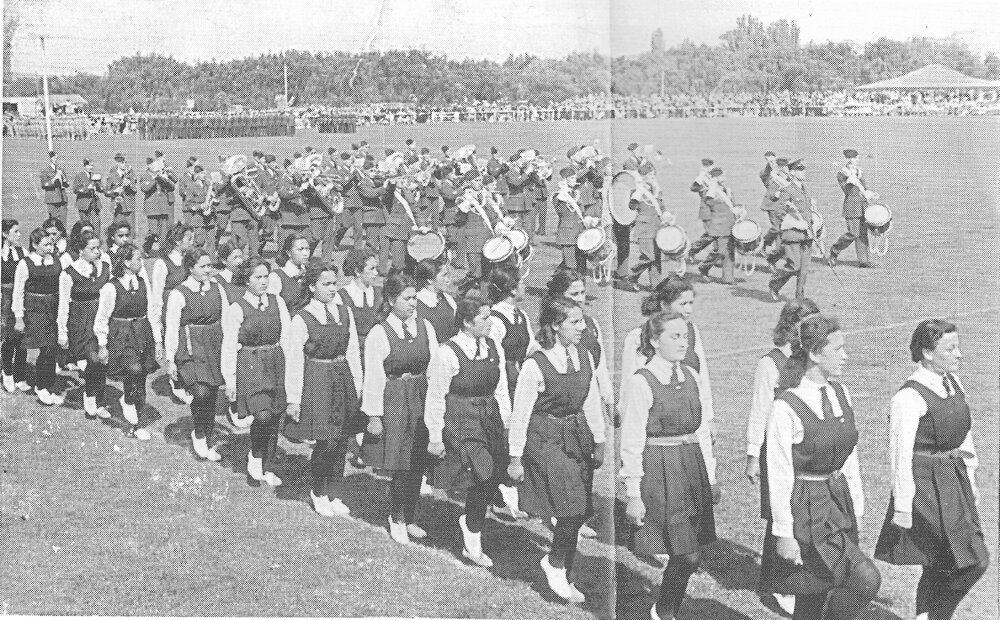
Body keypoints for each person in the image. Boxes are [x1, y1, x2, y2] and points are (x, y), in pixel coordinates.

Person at [766, 314, 880, 620]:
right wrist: (784, 532)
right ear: (815, 354)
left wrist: (856, 505)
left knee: (816, 588)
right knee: (865, 579)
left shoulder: (842, 394)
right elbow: (778, 474)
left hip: (836, 500)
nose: (846, 356)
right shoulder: (785, 407)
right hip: (806, 506)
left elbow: (850, 455)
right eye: (838, 349)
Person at [874, 319, 989, 620]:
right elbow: (899, 455)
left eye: (957, 347)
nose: (959, 354)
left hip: (953, 478)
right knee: (972, 561)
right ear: (927, 352)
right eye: (950, 348)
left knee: (944, 560)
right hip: (924, 484)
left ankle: (925, 616)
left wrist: (971, 476)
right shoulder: (908, 398)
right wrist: (902, 506)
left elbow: (965, 434)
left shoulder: (953, 383)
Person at [507, 296, 606, 603]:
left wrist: (600, 440)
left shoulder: (585, 356)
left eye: (582, 320)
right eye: (574, 322)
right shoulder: (535, 365)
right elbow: (521, 413)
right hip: (545, 438)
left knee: (580, 510)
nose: (582, 327)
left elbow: (590, 398)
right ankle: (554, 563)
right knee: (570, 507)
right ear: (554, 326)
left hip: (577, 435)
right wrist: (514, 458)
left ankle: (563, 570)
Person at [621, 311, 717, 620]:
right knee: (686, 553)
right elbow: (632, 440)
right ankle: (663, 612)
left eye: (685, 337)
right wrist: (633, 494)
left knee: (690, 552)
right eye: (674, 336)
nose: (682, 342)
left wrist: (710, 476)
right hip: (661, 469)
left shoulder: (691, 375)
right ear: (653, 340)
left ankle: (665, 610)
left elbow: (701, 430)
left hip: (691, 466)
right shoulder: (642, 381)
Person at [424, 293, 511, 567]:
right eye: (484, 318)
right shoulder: (447, 353)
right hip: (461, 420)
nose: (490, 322)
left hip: (490, 418)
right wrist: (435, 436)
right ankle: (472, 537)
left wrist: (506, 423)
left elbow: (502, 389)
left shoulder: (495, 347)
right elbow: (436, 396)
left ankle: (471, 520)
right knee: (482, 473)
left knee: (495, 474)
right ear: (466, 322)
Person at [746, 298, 820, 616]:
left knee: (805, 513)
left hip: (807, 450)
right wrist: (752, 454)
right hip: (777, 451)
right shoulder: (771, 363)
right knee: (780, 516)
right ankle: (776, 584)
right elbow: (760, 410)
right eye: (807, 327)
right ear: (790, 328)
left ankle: (801, 577)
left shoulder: (814, 362)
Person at [619, 276, 718, 499]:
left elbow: (702, 378)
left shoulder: (692, 332)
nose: (689, 310)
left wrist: (708, 416)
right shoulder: (637, 337)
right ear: (664, 305)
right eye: (683, 304)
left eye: (691, 303)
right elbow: (629, 390)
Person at [361, 271, 439, 545]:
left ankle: (411, 514)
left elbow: (434, 365)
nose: (413, 303)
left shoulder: (425, 327)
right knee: (402, 461)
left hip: (420, 395)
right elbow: (373, 376)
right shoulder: (379, 333)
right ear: (392, 300)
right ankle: (397, 517)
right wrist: (374, 415)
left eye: (415, 297)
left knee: (419, 457)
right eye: (406, 298)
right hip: (394, 397)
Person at [283, 258, 363, 516]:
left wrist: (358, 385)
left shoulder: (344, 312)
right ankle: (318, 491)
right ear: (311, 287)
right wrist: (294, 398)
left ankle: (334, 492)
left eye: (334, 284)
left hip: (342, 378)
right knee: (326, 440)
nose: (332, 289)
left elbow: (352, 352)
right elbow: (294, 360)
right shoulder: (302, 318)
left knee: (341, 439)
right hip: (318, 379)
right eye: (325, 284)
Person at [222, 258, 290, 486]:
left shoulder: (277, 301)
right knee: (262, 415)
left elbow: (287, 336)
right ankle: (256, 454)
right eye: (257, 277)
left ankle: (267, 465)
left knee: (275, 415)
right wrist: (230, 381)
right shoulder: (237, 308)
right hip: (251, 365)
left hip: (276, 362)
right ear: (246, 280)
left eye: (265, 277)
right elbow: (229, 346)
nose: (263, 282)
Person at [164, 249, 230, 460]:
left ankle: (205, 433)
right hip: (190, 348)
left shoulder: (217, 288)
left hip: (212, 346)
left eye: (210, 265)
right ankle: (199, 433)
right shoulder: (178, 294)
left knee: (211, 394)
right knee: (200, 393)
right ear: (190, 268)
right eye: (202, 266)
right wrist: (171, 359)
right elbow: (172, 327)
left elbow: (227, 319)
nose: (208, 270)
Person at [94, 244, 161, 440]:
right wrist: (102, 344)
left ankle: (136, 424)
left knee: (140, 380)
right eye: (138, 259)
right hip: (120, 336)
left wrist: (157, 341)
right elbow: (102, 318)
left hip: (141, 333)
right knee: (134, 370)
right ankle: (127, 400)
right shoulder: (110, 287)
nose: (141, 263)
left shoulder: (141, 282)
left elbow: (152, 311)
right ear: (125, 262)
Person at [56, 230, 111, 419]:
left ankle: (100, 401)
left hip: (102, 318)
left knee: (102, 360)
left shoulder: (105, 268)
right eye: (92, 248)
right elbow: (63, 304)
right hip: (81, 321)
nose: (97, 252)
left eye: (99, 248)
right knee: (93, 359)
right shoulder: (69, 273)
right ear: (80, 250)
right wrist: (62, 332)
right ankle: (90, 395)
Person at [11, 227, 64, 405]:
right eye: (46, 244)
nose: (50, 247)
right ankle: (40, 386)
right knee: (44, 347)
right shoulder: (25, 264)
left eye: (51, 243)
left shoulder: (55, 261)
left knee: (51, 348)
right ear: (34, 245)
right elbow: (18, 292)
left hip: (53, 308)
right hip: (34, 309)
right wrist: (19, 317)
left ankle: (47, 385)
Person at [768, 159, 815, 302]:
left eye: (803, 169)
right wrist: (796, 223)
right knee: (794, 265)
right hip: (793, 234)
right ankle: (774, 285)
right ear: (792, 173)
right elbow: (779, 211)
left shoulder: (804, 189)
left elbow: (807, 212)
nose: (803, 172)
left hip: (807, 235)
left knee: (804, 269)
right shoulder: (787, 189)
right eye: (800, 170)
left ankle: (799, 297)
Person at [688, 167, 740, 283]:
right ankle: (704, 267)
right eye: (722, 176)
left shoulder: (727, 190)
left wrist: (739, 211)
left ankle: (728, 279)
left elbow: (733, 204)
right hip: (718, 225)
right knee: (720, 251)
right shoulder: (710, 192)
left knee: (729, 251)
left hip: (730, 223)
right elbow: (709, 203)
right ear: (716, 178)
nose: (724, 178)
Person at [827, 149, 872, 268]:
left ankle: (864, 261)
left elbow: (865, 188)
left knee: (862, 233)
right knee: (853, 233)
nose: (856, 160)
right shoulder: (842, 173)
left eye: (856, 158)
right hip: (851, 206)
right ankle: (834, 250)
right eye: (853, 158)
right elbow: (846, 191)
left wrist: (870, 193)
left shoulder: (858, 172)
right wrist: (849, 182)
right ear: (848, 159)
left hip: (862, 205)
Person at [553, 167, 601, 274]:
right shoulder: (559, 196)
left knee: (581, 266)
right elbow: (562, 213)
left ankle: (574, 287)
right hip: (568, 234)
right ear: (565, 180)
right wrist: (566, 195)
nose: (575, 179)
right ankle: (557, 284)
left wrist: (590, 219)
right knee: (571, 266)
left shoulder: (576, 193)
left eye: (575, 177)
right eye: (572, 178)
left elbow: (582, 212)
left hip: (579, 233)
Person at [1, 219, 29, 393]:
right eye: (15, 232)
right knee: (9, 337)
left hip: (20, 298)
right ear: (5, 234)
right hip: (4, 300)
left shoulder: (22, 252)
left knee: (22, 337)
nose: (19, 235)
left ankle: (20, 375)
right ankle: (8, 373)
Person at [414, 258, 457, 343]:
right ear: (430, 280)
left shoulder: (448, 300)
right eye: (444, 275)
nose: (448, 280)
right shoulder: (415, 304)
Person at [267, 233, 311, 314]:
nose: (305, 253)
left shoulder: (309, 272)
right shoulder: (277, 276)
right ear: (289, 253)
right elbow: (271, 310)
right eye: (300, 249)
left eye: (307, 249)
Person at [140, 158, 176, 256]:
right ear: (148, 166)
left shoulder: (161, 175)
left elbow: (172, 187)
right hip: (152, 208)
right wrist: (155, 178)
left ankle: (162, 252)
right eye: (151, 165)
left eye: (155, 165)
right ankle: (146, 247)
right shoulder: (145, 176)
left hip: (163, 207)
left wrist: (163, 178)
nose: (154, 167)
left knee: (163, 232)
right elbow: (145, 188)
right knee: (153, 232)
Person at [105, 153, 138, 229]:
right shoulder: (112, 174)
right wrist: (115, 191)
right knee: (117, 229)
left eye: (124, 162)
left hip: (129, 206)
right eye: (121, 162)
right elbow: (106, 192)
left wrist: (129, 185)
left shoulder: (130, 173)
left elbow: (135, 190)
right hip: (118, 207)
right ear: (117, 162)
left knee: (130, 229)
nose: (124, 164)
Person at [40, 150, 70, 225]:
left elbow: (66, 185)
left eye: (57, 158)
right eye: (54, 158)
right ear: (50, 159)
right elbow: (44, 185)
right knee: (53, 222)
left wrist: (65, 180)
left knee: (63, 221)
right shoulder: (45, 171)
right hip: (52, 199)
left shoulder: (60, 169)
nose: (56, 160)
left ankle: (63, 235)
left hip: (62, 198)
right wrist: (55, 178)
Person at [72, 158, 103, 229]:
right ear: (85, 166)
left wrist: (98, 185)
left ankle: (96, 238)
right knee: (85, 224)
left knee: (96, 223)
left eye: (92, 166)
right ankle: (86, 239)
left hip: (94, 203)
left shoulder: (95, 176)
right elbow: (75, 189)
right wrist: (87, 188)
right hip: (83, 202)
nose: (91, 167)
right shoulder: (79, 175)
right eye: (89, 165)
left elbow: (101, 189)